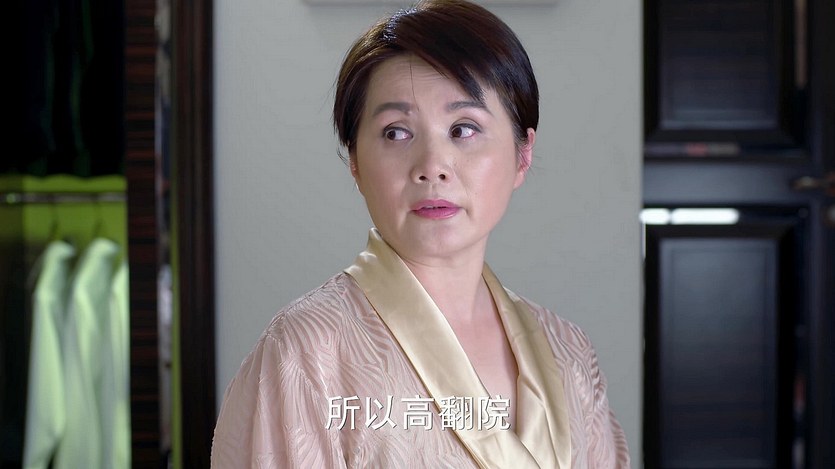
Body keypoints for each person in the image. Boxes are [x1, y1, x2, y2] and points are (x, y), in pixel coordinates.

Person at [211, 1, 630, 467]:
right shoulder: (307, 352)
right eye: (396, 133)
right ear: (354, 161)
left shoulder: (568, 351)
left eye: (463, 129)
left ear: (522, 154)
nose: (432, 167)